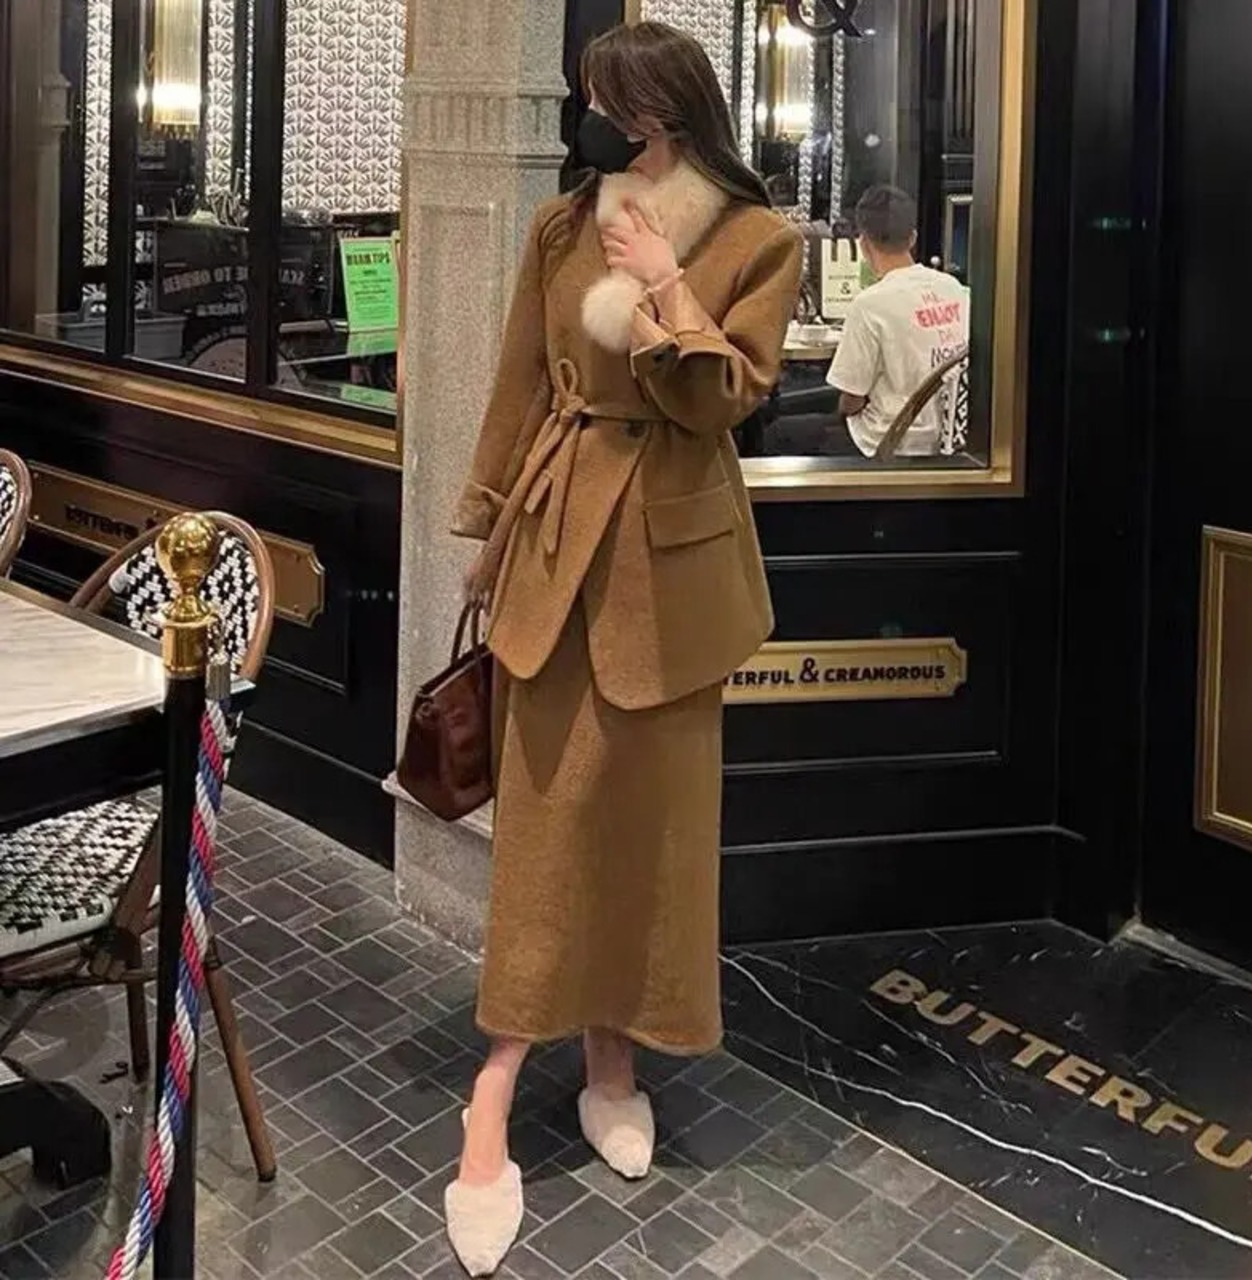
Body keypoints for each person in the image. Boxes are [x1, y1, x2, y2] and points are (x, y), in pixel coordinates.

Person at [444, 20, 803, 1277]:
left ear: (661, 111)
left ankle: (612, 1055)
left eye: (607, 99)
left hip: (673, 565)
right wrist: (486, 524)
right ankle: (494, 1083)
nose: (588, 118)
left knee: (650, 826)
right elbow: (520, 383)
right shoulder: (560, 227)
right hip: (556, 547)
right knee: (546, 821)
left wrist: (661, 284)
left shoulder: (756, 240)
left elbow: (723, 398)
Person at [827, 184, 969, 458]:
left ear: (863, 243)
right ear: (912, 238)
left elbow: (851, 400)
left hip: (888, 443)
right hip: (949, 438)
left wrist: (841, 412)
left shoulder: (869, 305)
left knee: (780, 432)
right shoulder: (953, 287)